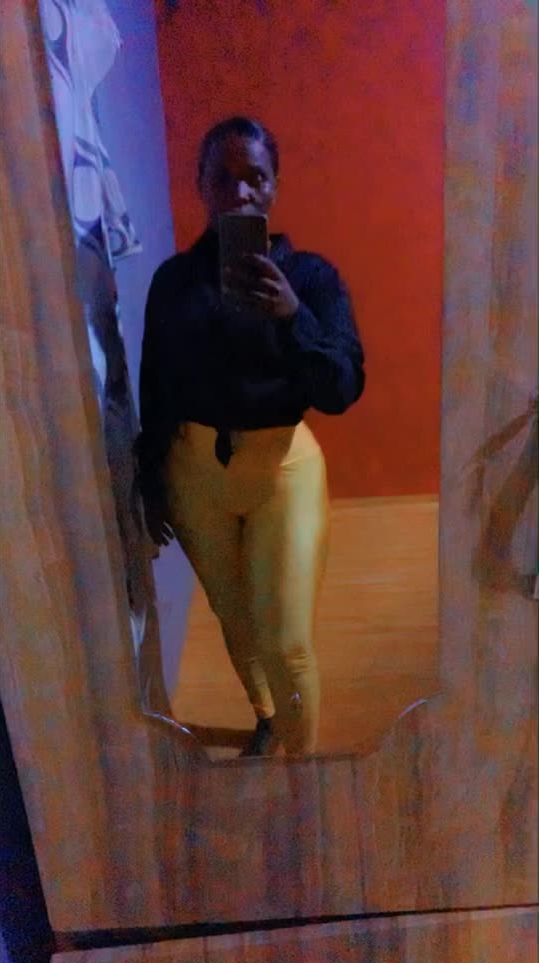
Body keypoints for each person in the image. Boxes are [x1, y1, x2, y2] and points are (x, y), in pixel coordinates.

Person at [137, 116, 365, 757]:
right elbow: (154, 383)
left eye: (255, 178)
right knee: (235, 622)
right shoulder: (173, 282)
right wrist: (150, 479)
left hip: (281, 468)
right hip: (193, 474)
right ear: (201, 186)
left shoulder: (311, 278)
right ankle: (267, 718)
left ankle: (301, 771)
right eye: (224, 178)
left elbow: (342, 388)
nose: (240, 192)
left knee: (286, 642)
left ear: (274, 186)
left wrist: (291, 316)